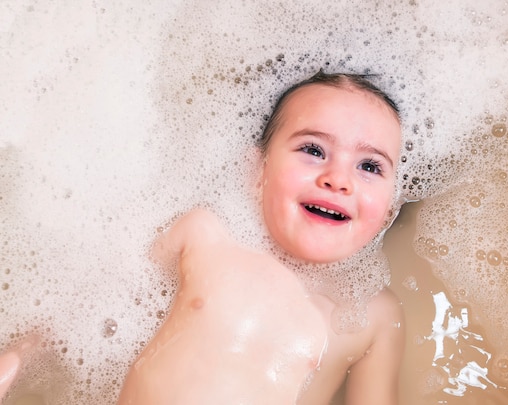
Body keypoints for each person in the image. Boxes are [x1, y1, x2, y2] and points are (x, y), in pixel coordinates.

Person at [1, 70, 405, 405]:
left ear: (389, 208)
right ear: (258, 171)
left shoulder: (377, 317)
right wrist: (19, 357)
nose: (338, 179)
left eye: (370, 166)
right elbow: (98, 299)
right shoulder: (205, 236)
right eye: (313, 150)